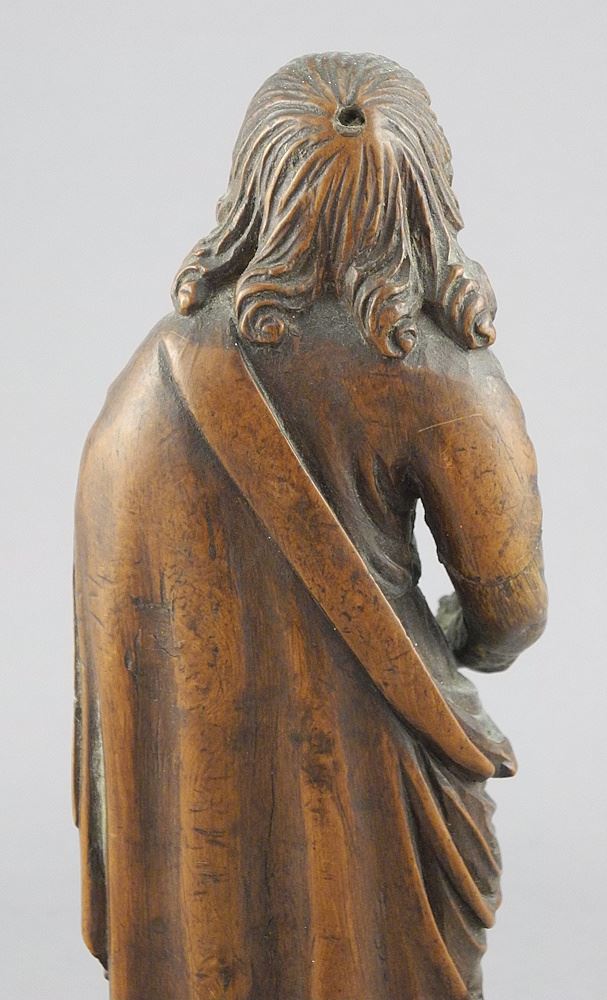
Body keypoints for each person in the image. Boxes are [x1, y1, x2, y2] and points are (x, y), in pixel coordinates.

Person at [73, 52, 547, 1000]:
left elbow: (113, 636)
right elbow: (510, 610)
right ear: (425, 197)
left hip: (193, 787)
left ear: (255, 185)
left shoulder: (154, 371)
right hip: (373, 766)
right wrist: (446, 644)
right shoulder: (438, 373)